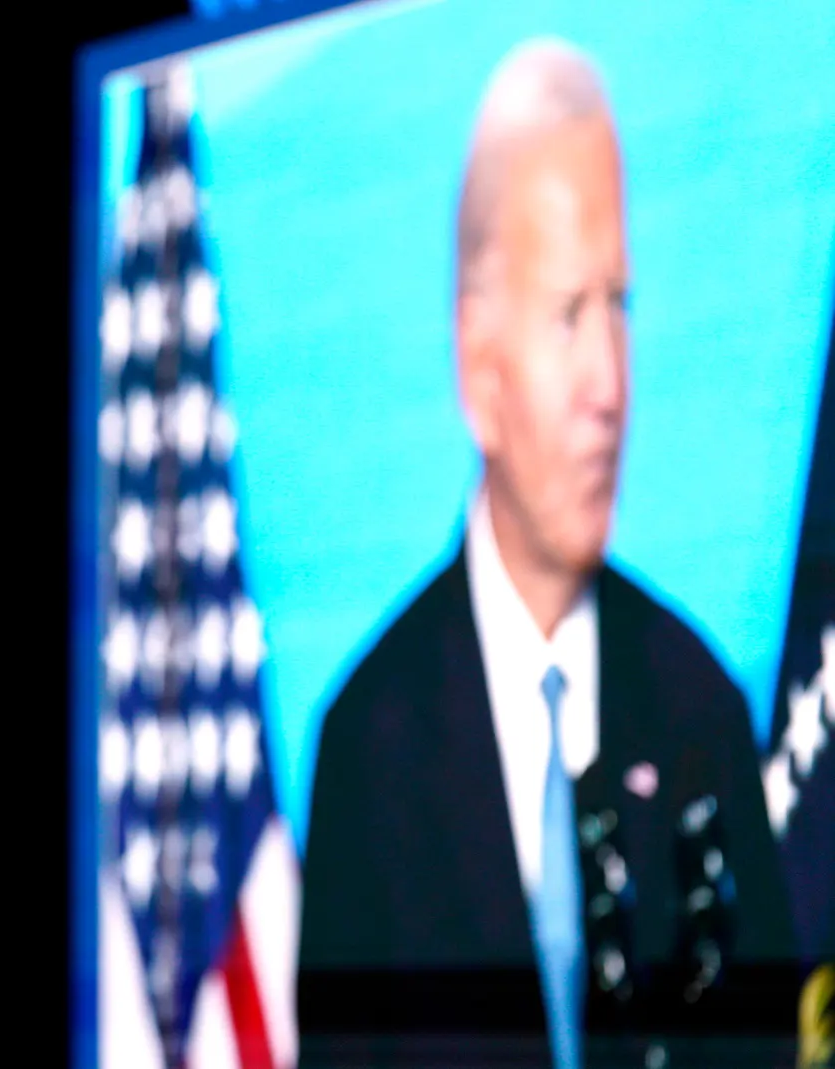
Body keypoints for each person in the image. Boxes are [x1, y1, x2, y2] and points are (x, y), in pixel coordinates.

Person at [298, 38, 792, 1066]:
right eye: (568, 315)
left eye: (619, 306)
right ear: (478, 370)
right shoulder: (368, 742)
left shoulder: (701, 707)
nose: (609, 382)